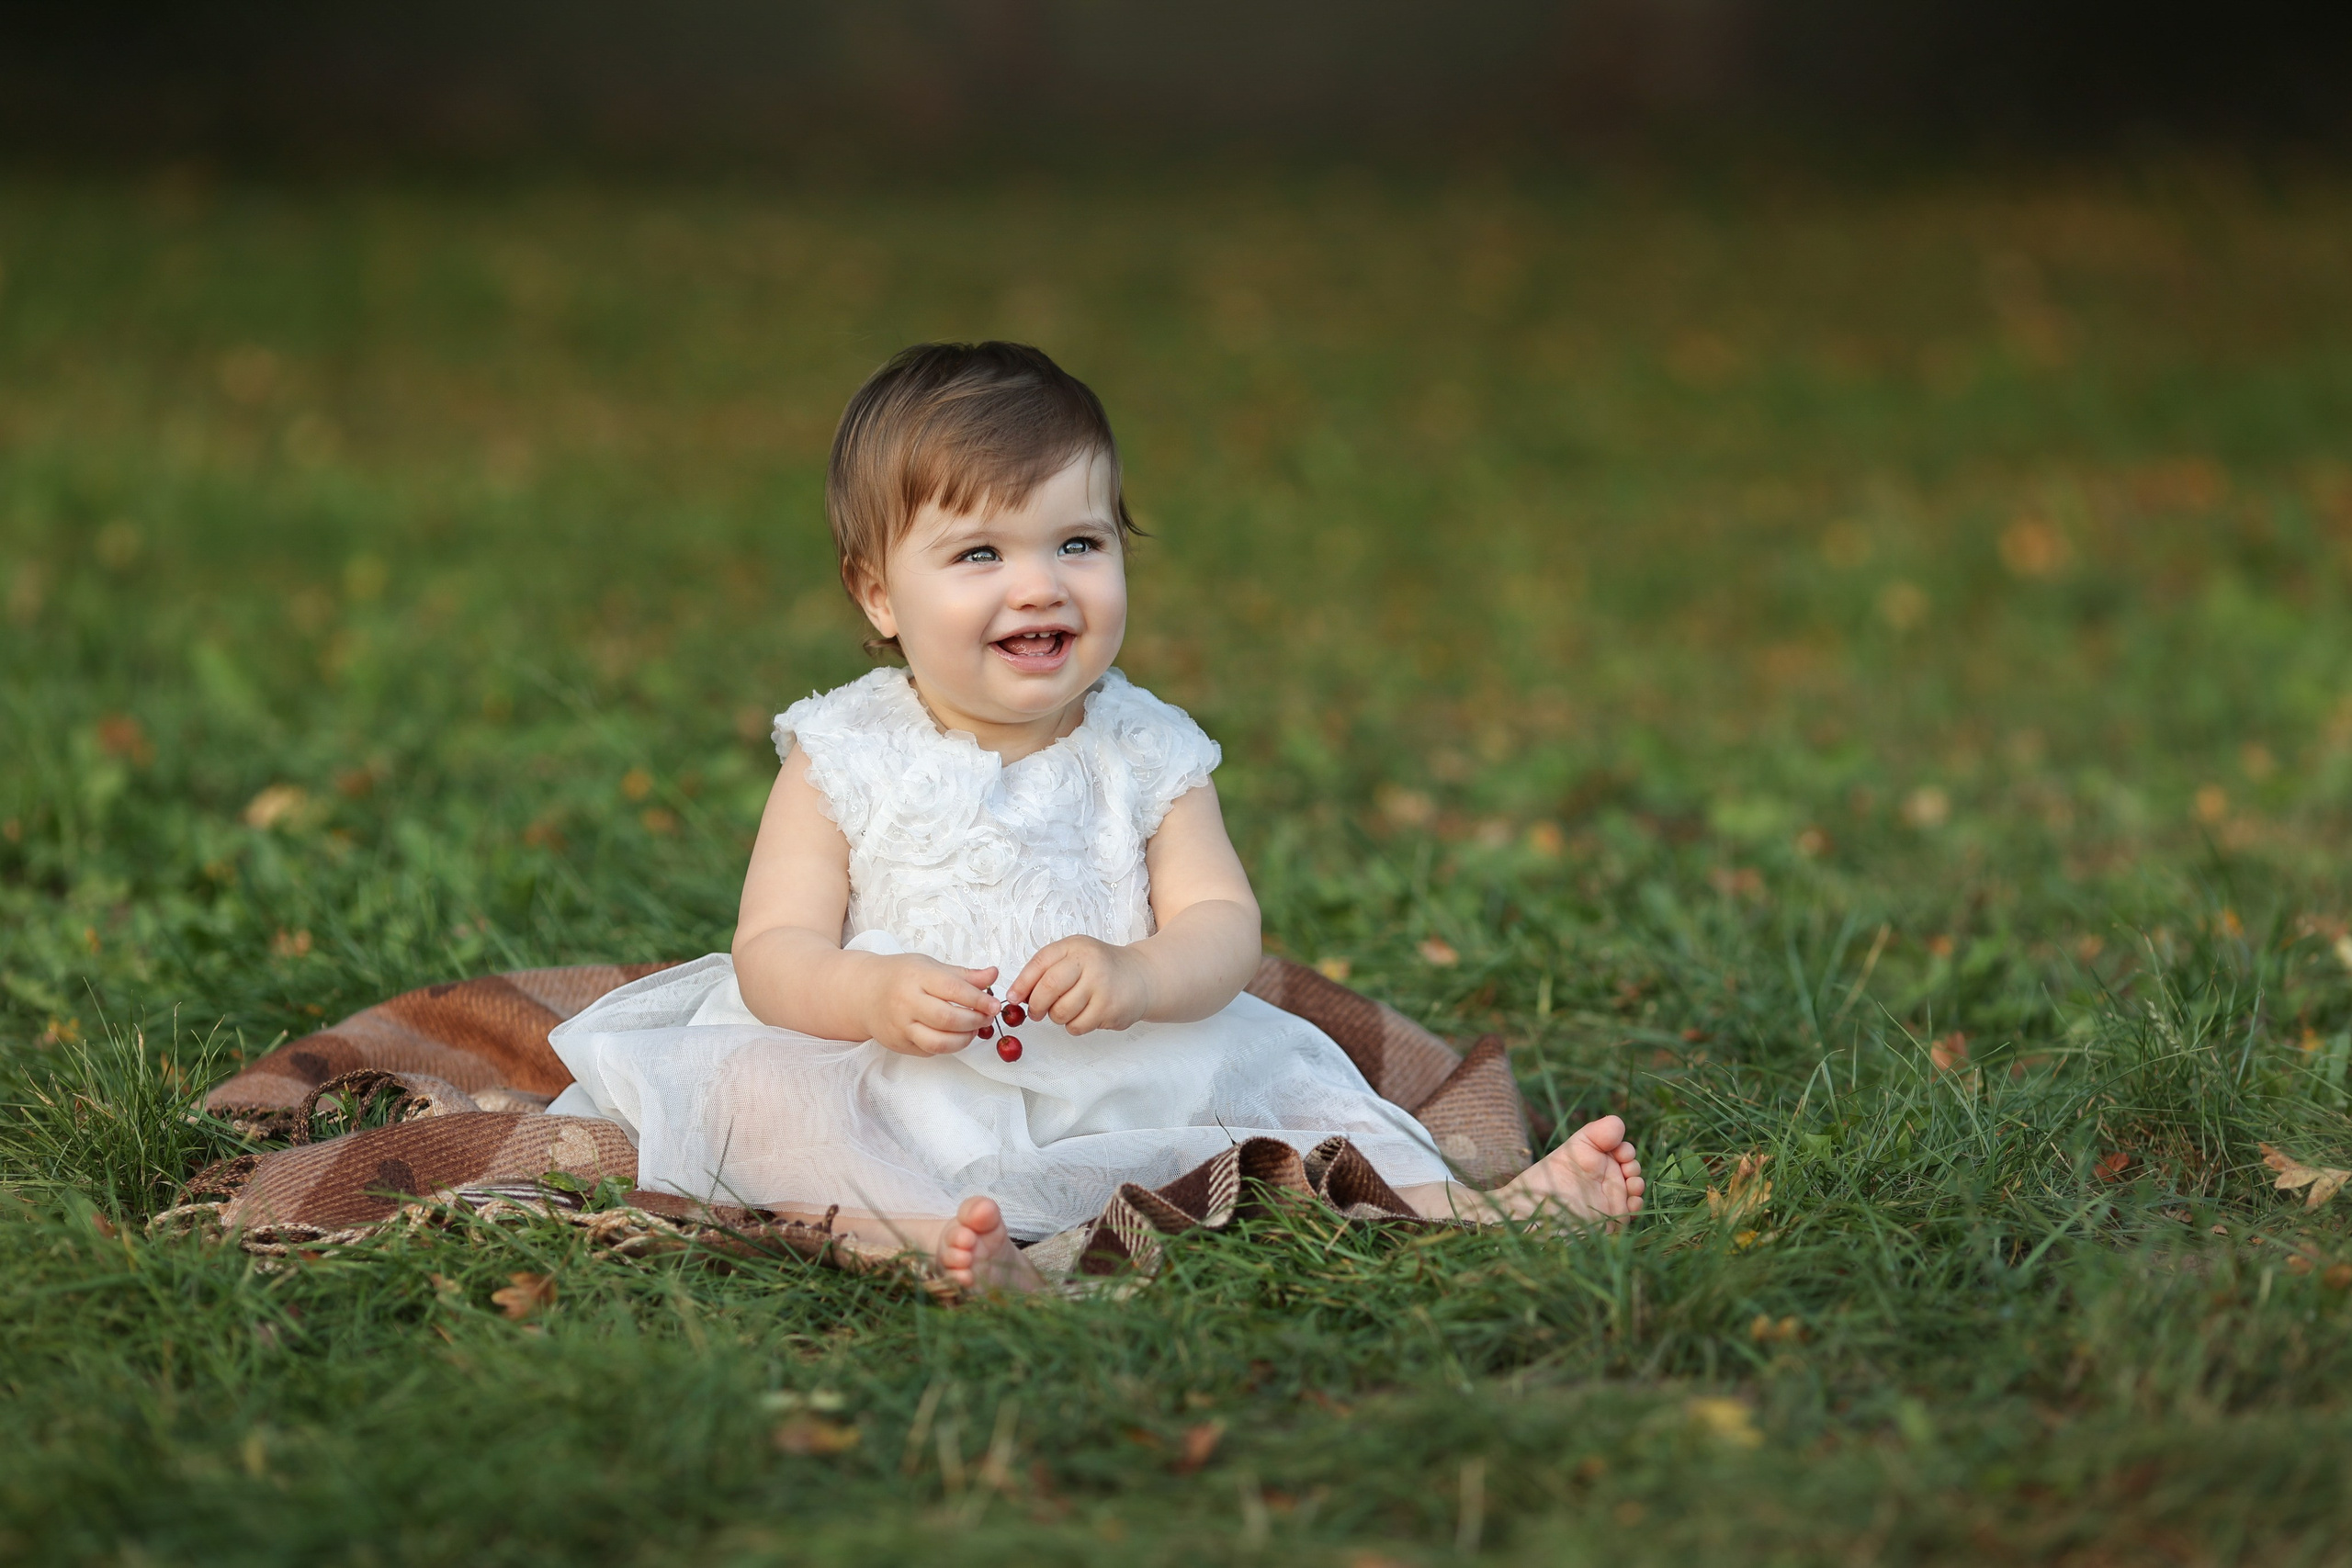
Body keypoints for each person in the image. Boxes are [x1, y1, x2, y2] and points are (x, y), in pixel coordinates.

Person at [547, 342, 1642, 1292]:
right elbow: (772, 950)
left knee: (1295, 1091)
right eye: (980, 554)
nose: (1039, 586)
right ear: (878, 594)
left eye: (1078, 543)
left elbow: (1220, 922)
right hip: (893, 1072)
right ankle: (929, 1242)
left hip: (1116, 1070)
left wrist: (1140, 978)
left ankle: (1487, 1211)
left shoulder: (1146, 748)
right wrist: (865, 992)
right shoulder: (843, 750)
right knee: (754, 1091)